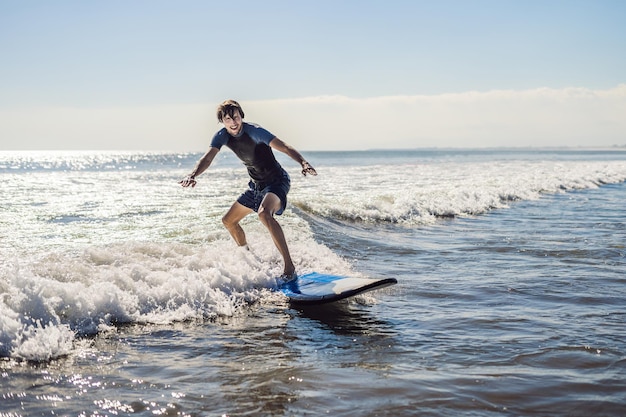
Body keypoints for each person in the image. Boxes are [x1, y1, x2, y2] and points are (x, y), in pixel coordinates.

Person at [179, 99, 317, 282]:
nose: (233, 122)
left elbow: (283, 146)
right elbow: (208, 158)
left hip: (277, 182)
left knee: (264, 214)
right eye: (228, 119)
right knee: (229, 221)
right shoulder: (222, 136)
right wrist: (193, 174)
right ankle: (249, 259)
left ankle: (289, 267)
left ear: (241, 116)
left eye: (235, 117)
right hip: (256, 186)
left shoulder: (255, 131)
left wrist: (303, 162)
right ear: (222, 121)